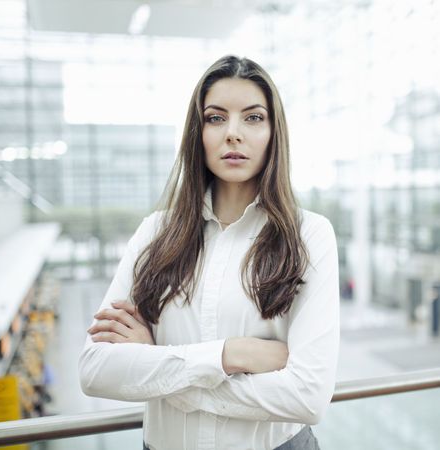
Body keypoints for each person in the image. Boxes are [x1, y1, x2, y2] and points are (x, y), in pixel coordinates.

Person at [79, 55, 339, 450]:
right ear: (197, 132)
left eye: (253, 118)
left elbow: (307, 396)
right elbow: (95, 370)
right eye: (216, 118)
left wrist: (162, 369)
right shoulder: (156, 233)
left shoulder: (309, 235)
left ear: (274, 132)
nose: (233, 133)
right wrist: (230, 355)